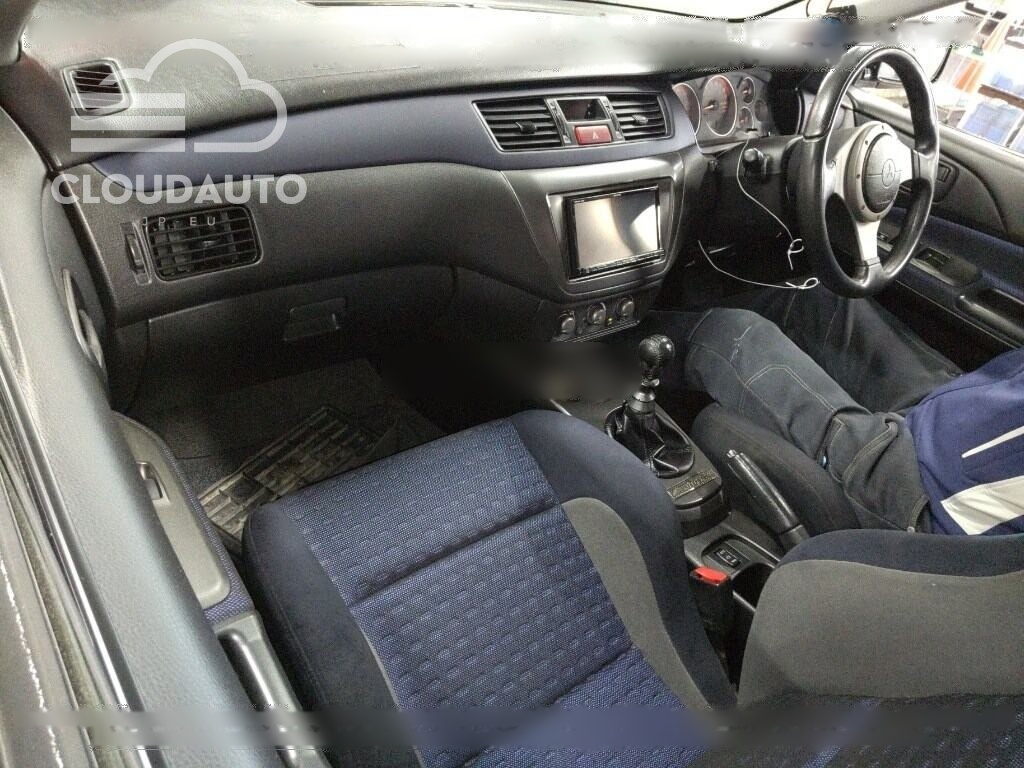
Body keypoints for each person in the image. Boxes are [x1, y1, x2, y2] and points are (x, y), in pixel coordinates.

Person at [646, 289, 1024, 536]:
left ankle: (611, 354)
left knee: (729, 335)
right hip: (968, 412)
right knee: (821, 301)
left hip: (921, 492)